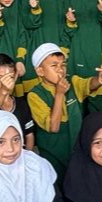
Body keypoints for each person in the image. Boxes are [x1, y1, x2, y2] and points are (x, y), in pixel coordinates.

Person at [25, 43, 83, 176]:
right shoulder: (35, 95)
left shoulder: (72, 83)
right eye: (54, 65)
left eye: (63, 65)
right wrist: (59, 94)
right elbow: (54, 127)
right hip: (53, 155)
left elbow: (90, 84)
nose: (60, 70)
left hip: (76, 150)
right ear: (40, 71)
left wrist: (100, 80)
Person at [0, 52, 36, 149]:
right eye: (0, 78)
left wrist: (27, 155)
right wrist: (4, 90)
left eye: (10, 77)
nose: (5, 82)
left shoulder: (21, 103)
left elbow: (29, 135)